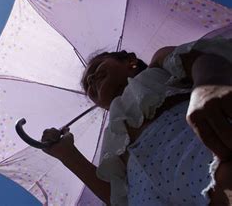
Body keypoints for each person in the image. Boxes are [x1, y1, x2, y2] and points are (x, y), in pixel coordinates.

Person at [41, 35, 232, 205]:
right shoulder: (113, 135)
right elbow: (114, 195)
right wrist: (67, 154)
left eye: (97, 68)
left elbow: (199, 57)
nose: (91, 79)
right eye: (88, 85)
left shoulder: (156, 68)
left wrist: (208, 83)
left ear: (130, 60)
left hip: (196, 148)